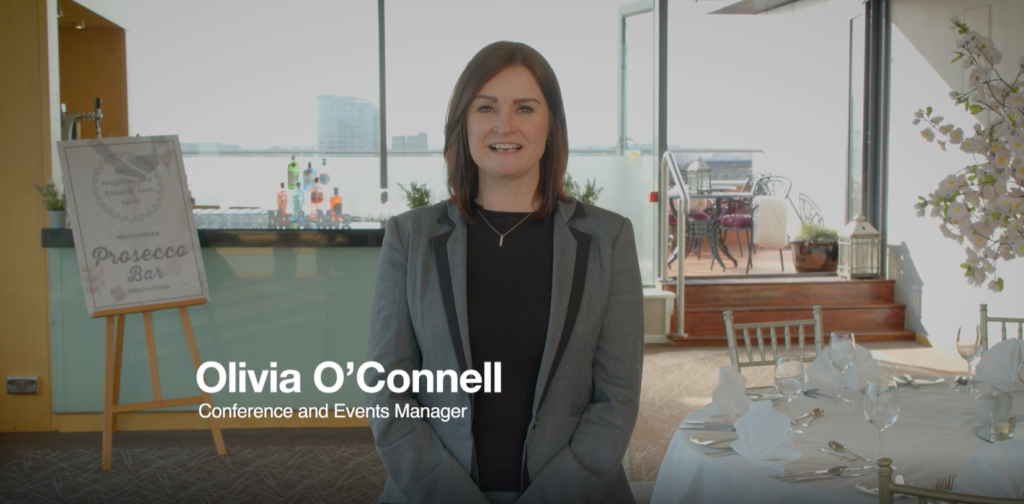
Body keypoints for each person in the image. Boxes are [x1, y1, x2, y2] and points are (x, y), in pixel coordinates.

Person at [365, 41, 643, 504]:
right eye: (486, 107)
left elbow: (616, 400)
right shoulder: (408, 238)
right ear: (464, 124)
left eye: (525, 108)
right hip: (434, 493)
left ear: (551, 125)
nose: (503, 125)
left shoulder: (608, 239)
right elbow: (387, 392)